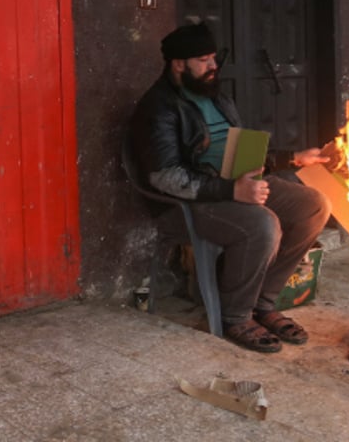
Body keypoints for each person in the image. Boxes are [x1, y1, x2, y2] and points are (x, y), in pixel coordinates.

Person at [129, 22, 332, 353]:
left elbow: (240, 150)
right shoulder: (159, 107)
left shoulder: (217, 97)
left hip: (231, 183)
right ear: (178, 63)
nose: (213, 67)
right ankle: (235, 316)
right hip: (187, 202)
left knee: (314, 205)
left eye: (214, 58)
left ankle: (264, 303)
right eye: (204, 60)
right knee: (263, 224)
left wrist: (292, 158)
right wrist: (230, 191)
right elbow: (165, 177)